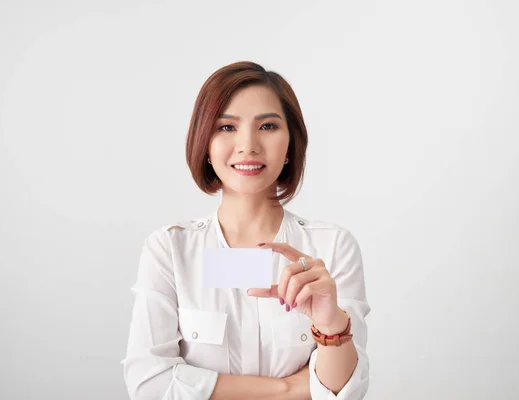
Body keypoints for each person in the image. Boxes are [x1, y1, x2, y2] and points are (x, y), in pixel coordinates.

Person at [121, 61, 371, 399]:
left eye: (268, 125)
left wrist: (331, 326)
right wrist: (287, 389)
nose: (248, 145)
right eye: (226, 128)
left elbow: (345, 391)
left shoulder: (332, 247)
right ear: (205, 143)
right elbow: (149, 384)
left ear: (291, 144)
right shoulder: (170, 249)